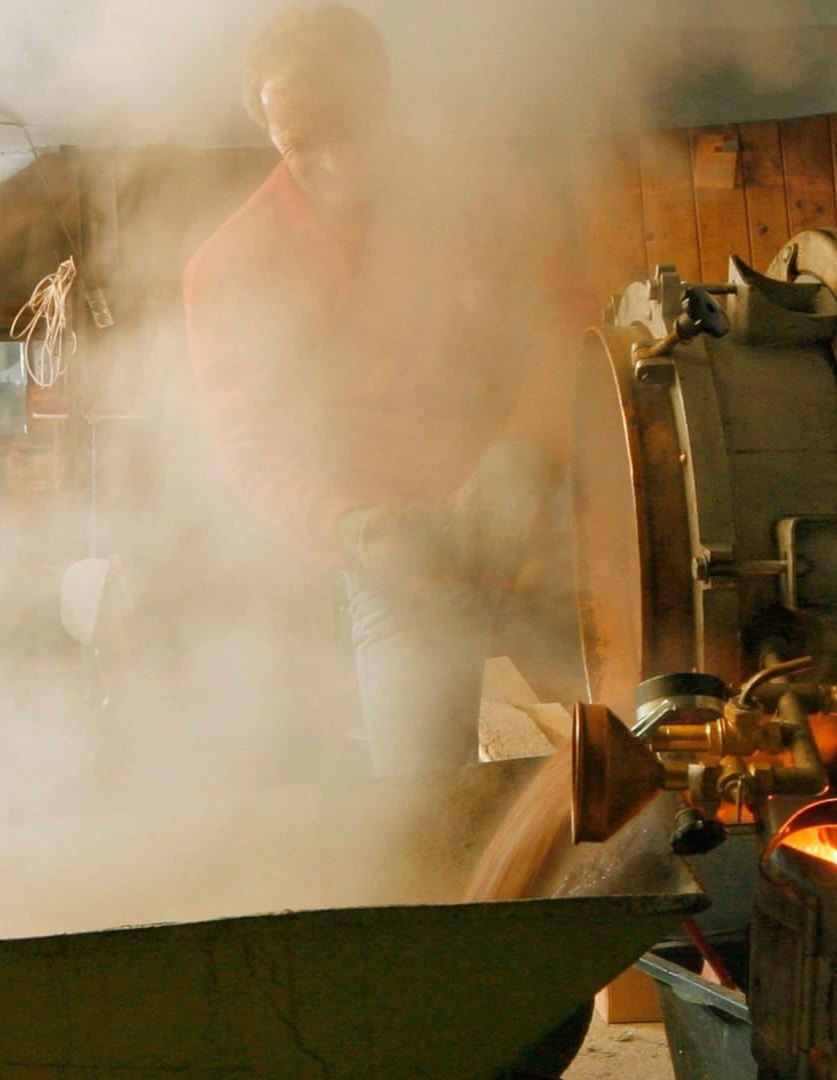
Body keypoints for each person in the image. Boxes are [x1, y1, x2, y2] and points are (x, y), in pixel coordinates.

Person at [182, 4, 575, 780]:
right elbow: (252, 445)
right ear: (267, 131)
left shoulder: (486, 190)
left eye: (352, 130)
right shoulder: (230, 268)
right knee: (421, 801)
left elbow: (566, 324)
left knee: (619, 773)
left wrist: (528, 448)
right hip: (404, 570)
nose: (336, 165)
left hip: (554, 525)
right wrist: (352, 526)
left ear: (386, 96)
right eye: (302, 145)